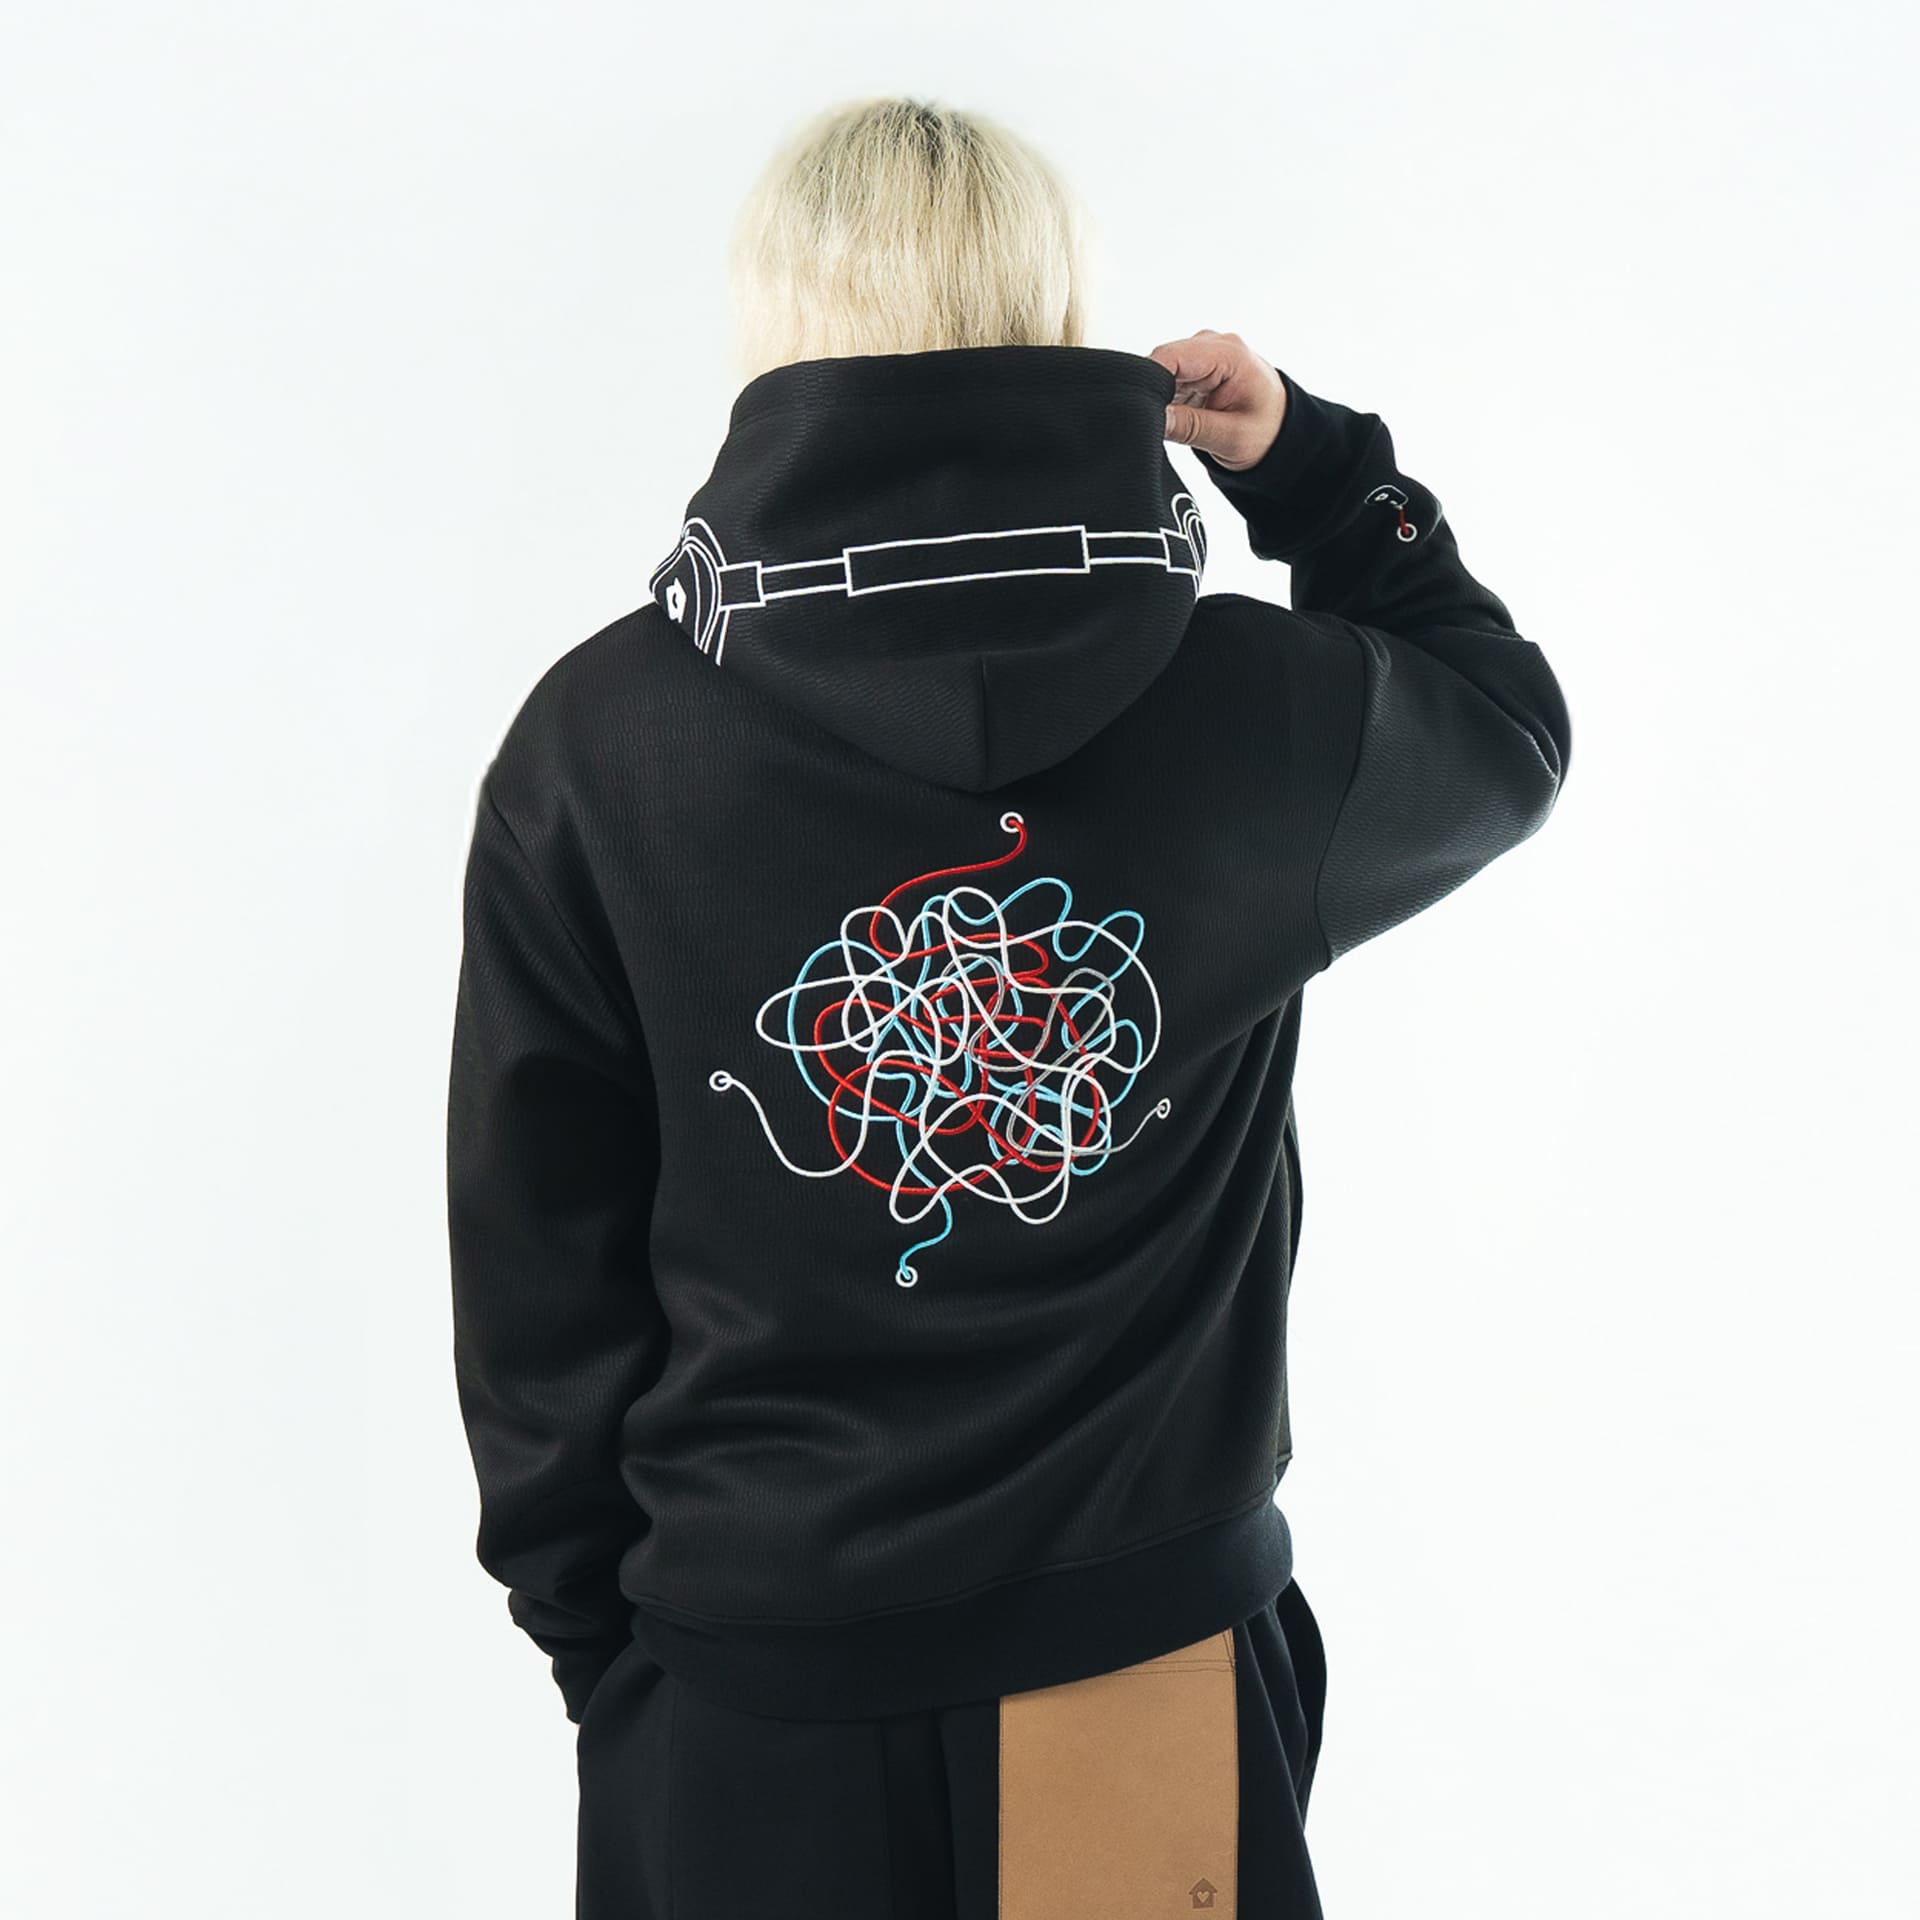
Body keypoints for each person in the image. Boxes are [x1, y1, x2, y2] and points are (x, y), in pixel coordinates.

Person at [446, 93, 1570, 1919]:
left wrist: (614, 1657)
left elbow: (535, 1271)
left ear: (778, 324)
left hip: (748, 1694)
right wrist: (1312, 468)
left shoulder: (600, 740)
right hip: (1138, 1677)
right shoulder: (1258, 704)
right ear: (1056, 315)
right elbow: (1507, 728)